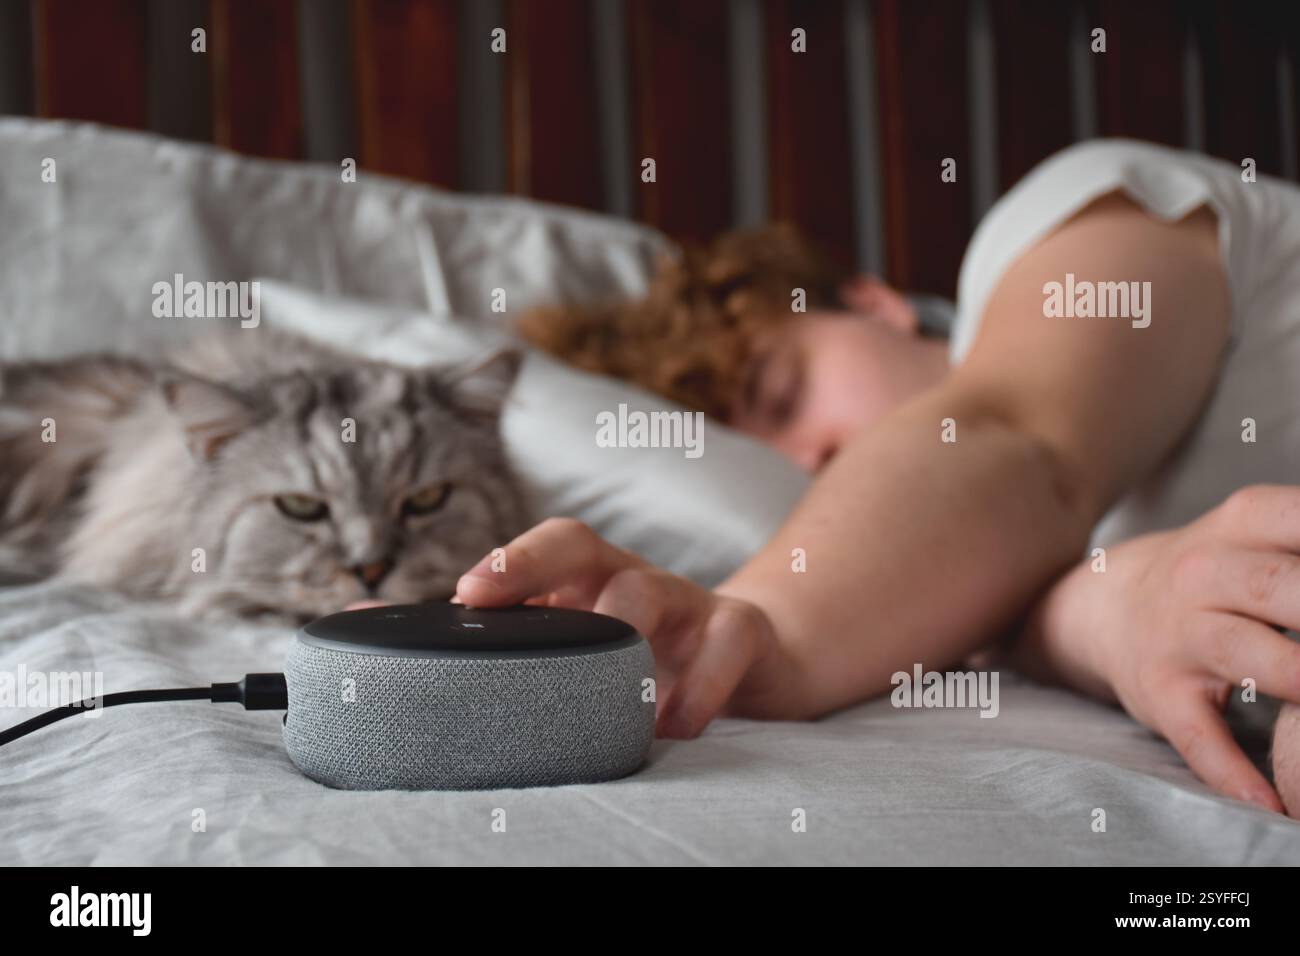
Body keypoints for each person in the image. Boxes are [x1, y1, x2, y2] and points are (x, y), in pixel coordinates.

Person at [485, 140, 1300, 816]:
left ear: (874, 304)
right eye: (770, 458)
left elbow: (1018, 443)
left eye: (784, 393)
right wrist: (1121, 597)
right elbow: (1045, 576)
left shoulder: (1081, 209)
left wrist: (764, 623)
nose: (809, 459)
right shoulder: (952, 606)